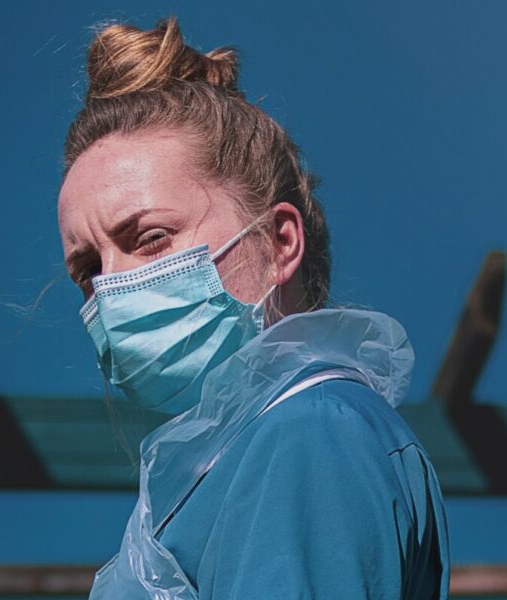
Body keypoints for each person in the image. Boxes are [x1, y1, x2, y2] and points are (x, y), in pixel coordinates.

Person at [57, 15, 450, 599]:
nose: (110, 287)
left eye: (149, 238)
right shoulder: (212, 476)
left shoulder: (306, 433)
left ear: (279, 243)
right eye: (88, 269)